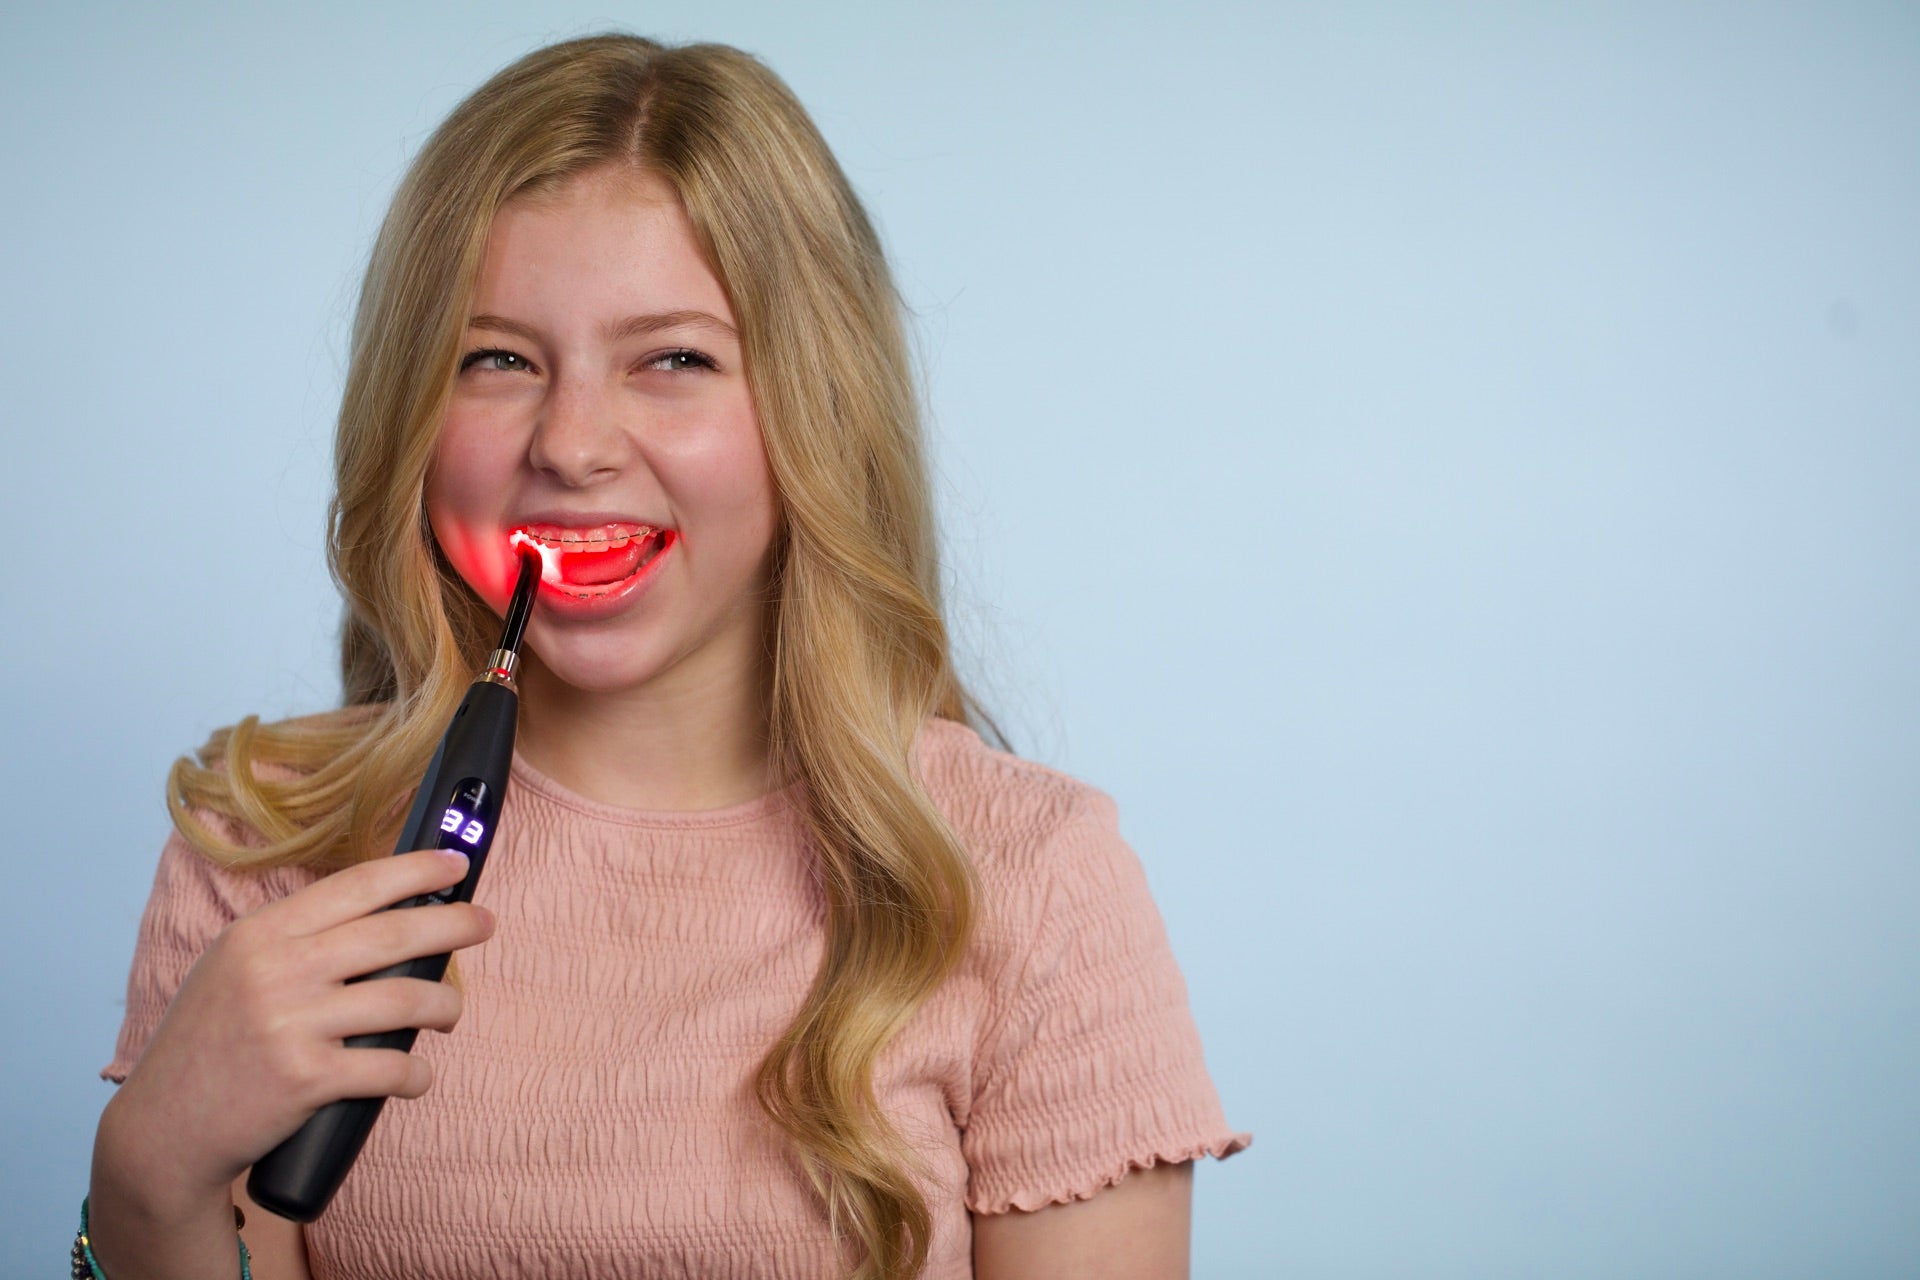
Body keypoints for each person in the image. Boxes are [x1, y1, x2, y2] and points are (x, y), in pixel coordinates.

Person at [85, 32, 1247, 1280]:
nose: (574, 444)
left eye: (674, 358)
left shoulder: (1030, 877)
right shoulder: (265, 850)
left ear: (816, 408)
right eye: (498, 359)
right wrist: (147, 1177)